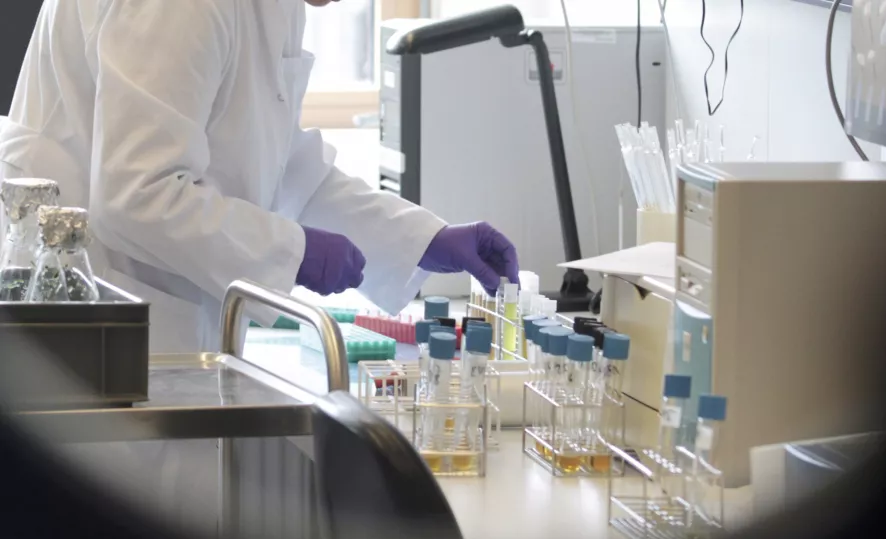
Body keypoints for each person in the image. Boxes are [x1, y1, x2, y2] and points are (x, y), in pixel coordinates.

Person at [0, 0, 519, 353]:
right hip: (95, 304)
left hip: (167, 315)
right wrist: (292, 251)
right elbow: (136, 195)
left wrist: (421, 239)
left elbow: (277, 163)